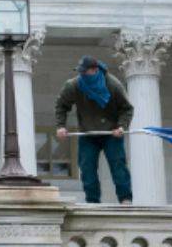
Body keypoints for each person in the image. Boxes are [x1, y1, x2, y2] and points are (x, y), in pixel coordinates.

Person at [55, 55, 135, 204]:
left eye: (85, 71)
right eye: (81, 72)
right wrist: (61, 126)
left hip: (111, 133)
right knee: (87, 168)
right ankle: (92, 201)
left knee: (118, 165)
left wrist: (122, 126)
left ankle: (125, 198)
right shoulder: (74, 85)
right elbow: (61, 106)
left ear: (95, 70)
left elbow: (127, 109)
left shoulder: (113, 84)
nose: (82, 74)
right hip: (88, 133)